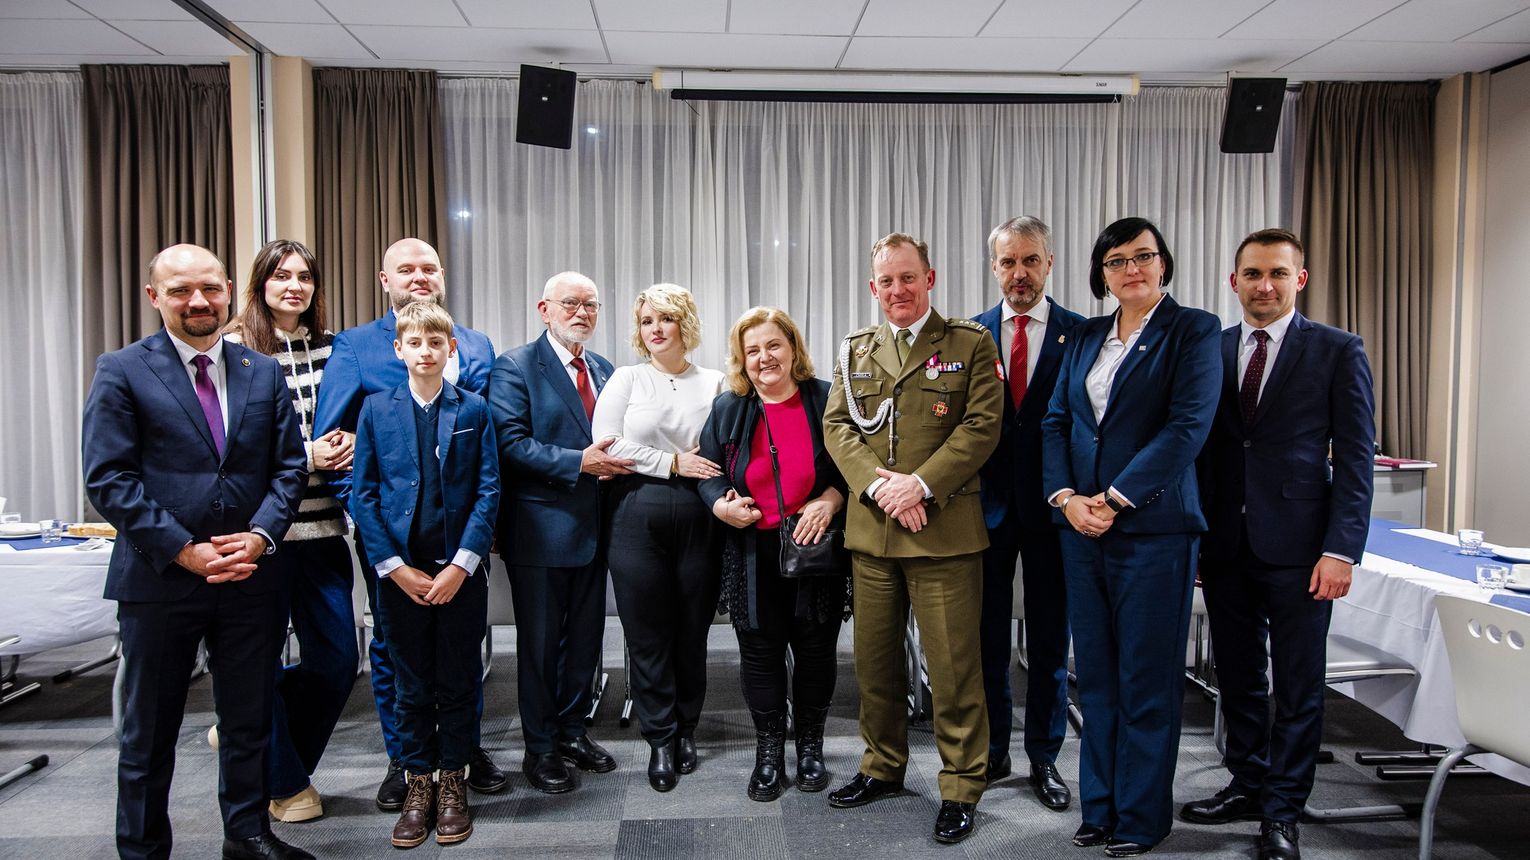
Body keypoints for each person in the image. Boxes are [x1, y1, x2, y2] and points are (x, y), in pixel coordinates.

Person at [83, 244, 310, 860]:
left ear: (230, 290)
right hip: (160, 580)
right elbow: (108, 479)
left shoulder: (261, 371)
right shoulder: (122, 369)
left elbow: (289, 467)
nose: (199, 301)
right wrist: (182, 549)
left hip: (250, 577)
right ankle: (144, 849)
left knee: (247, 721)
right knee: (147, 732)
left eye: (210, 288)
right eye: (181, 290)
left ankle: (247, 835)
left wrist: (262, 536)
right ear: (155, 297)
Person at [1181, 229, 1375, 860]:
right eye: (1252, 274)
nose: (1265, 286)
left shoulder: (1339, 351)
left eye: (1278, 275)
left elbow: (1354, 461)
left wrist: (1342, 550)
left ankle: (1284, 810)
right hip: (1227, 545)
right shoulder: (1213, 347)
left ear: (1301, 279)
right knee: (1237, 676)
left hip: (1302, 548)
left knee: (1298, 685)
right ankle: (1247, 780)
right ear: (1233, 281)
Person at [1041, 217, 1221, 857]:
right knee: (1095, 677)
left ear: (1164, 263)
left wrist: (1114, 499)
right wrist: (1065, 499)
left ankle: (1142, 820)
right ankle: (1101, 809)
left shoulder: (1193, 330)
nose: (1131, 269)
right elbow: (1056, 423)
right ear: (1102, 274)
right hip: (1080, 530)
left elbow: (1187, 428)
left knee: (1146, 680)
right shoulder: (1086, 334)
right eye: (1116, 261)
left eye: (1143, 256)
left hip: (1153, 531)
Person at [822, 233, 1002, 845]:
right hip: (873, 533)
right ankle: (882, 767)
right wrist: (882, 492)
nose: (897, 290)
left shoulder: (970, 343)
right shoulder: (855, 349)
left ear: (929, 279)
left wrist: (920, 487)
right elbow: (839, 426)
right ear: (874, 288)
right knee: (875, 665)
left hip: (944, 533)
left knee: (952, 669)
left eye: (908, 278)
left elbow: (981, 426)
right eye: (886, 281)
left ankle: (960, 785)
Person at [312, 238, 504, 807]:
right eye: (406, 269)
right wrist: (380, 546)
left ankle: (458, 764)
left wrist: (467, 554)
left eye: (427, 268)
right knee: (401, 664)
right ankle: (408, 764)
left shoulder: (474, 345)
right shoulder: (355, 348)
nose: (418, 277)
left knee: (458, 666)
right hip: (392, 544)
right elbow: (344, 453)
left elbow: (483, 472)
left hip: (458, 548)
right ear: (383, 278)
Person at [349, 302, 500, 849]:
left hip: (459, 571)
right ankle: (419, 783)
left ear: (450, 348)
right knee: (410, 684)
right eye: (415, 343)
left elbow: (488, 491)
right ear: (400, 350)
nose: (426, 352)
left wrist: (463, 563)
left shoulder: (475, 410)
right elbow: (363, 494)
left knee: (458, 679)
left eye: (436, 343)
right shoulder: (374, 410)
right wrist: (393, 567)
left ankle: (454, 780)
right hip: (400, 575)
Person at [222, 239, 358, 824]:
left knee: (336, 662)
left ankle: (249, 731)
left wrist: (354, 441)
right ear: (260, 285)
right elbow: (225, 442)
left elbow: (355, 418)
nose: (294, 286)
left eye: (304, 276)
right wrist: (308, 456)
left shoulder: (337, 349)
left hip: (324, 527)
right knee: (252, 664)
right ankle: (285, 781)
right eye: (281, 276)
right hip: (258, 532)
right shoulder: (232, 351)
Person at [698, 307, 850, 802]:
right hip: (751, 548)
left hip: (813, 543)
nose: (765, 358)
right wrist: (721, 503)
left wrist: (830, 500)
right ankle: (769, 753)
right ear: (742, 359)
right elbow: (709, 471)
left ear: (793, 349)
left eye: (774, 346)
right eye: (753, 350)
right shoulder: (729, 407)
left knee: (814, 651)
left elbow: (852, 468)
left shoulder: (826, 399)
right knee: (760, 654)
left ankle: (810, 748)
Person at [488, 272, 629, 794]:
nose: (583, 313)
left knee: (585, 644)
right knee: (541, 648)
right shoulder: (515, 367)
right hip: (540, 532)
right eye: (571, 303)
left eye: (592, 305)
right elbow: (509, 444)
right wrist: (582, 463)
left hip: (596, 531)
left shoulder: (604, 368)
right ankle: (540, 747)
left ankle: (572, 733)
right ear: (544, 309)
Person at [591, 284, 725, 792]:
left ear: (684, 325)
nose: (656, 329)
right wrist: (672, 460)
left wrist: (679, 458)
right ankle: (660, 738)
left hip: (700, 513)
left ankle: (687, 728)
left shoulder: (714, 381)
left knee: (691, 632)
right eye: (647, 321)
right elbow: (605, 445)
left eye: (666, 319)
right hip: (634, 513)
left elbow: (721, 447)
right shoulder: (626, 378)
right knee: (646, 634)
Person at [970, 216, 1085, 809]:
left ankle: (1044, 757)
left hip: (1053, 509)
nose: (1019, 272)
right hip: (984, 510)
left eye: (1030, 260)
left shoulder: (1083, 333)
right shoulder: (969, 334)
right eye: (1008, 261)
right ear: (994, 267)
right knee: (987, 639)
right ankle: (993, 752)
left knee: (1048, 641)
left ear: (1049, 262)